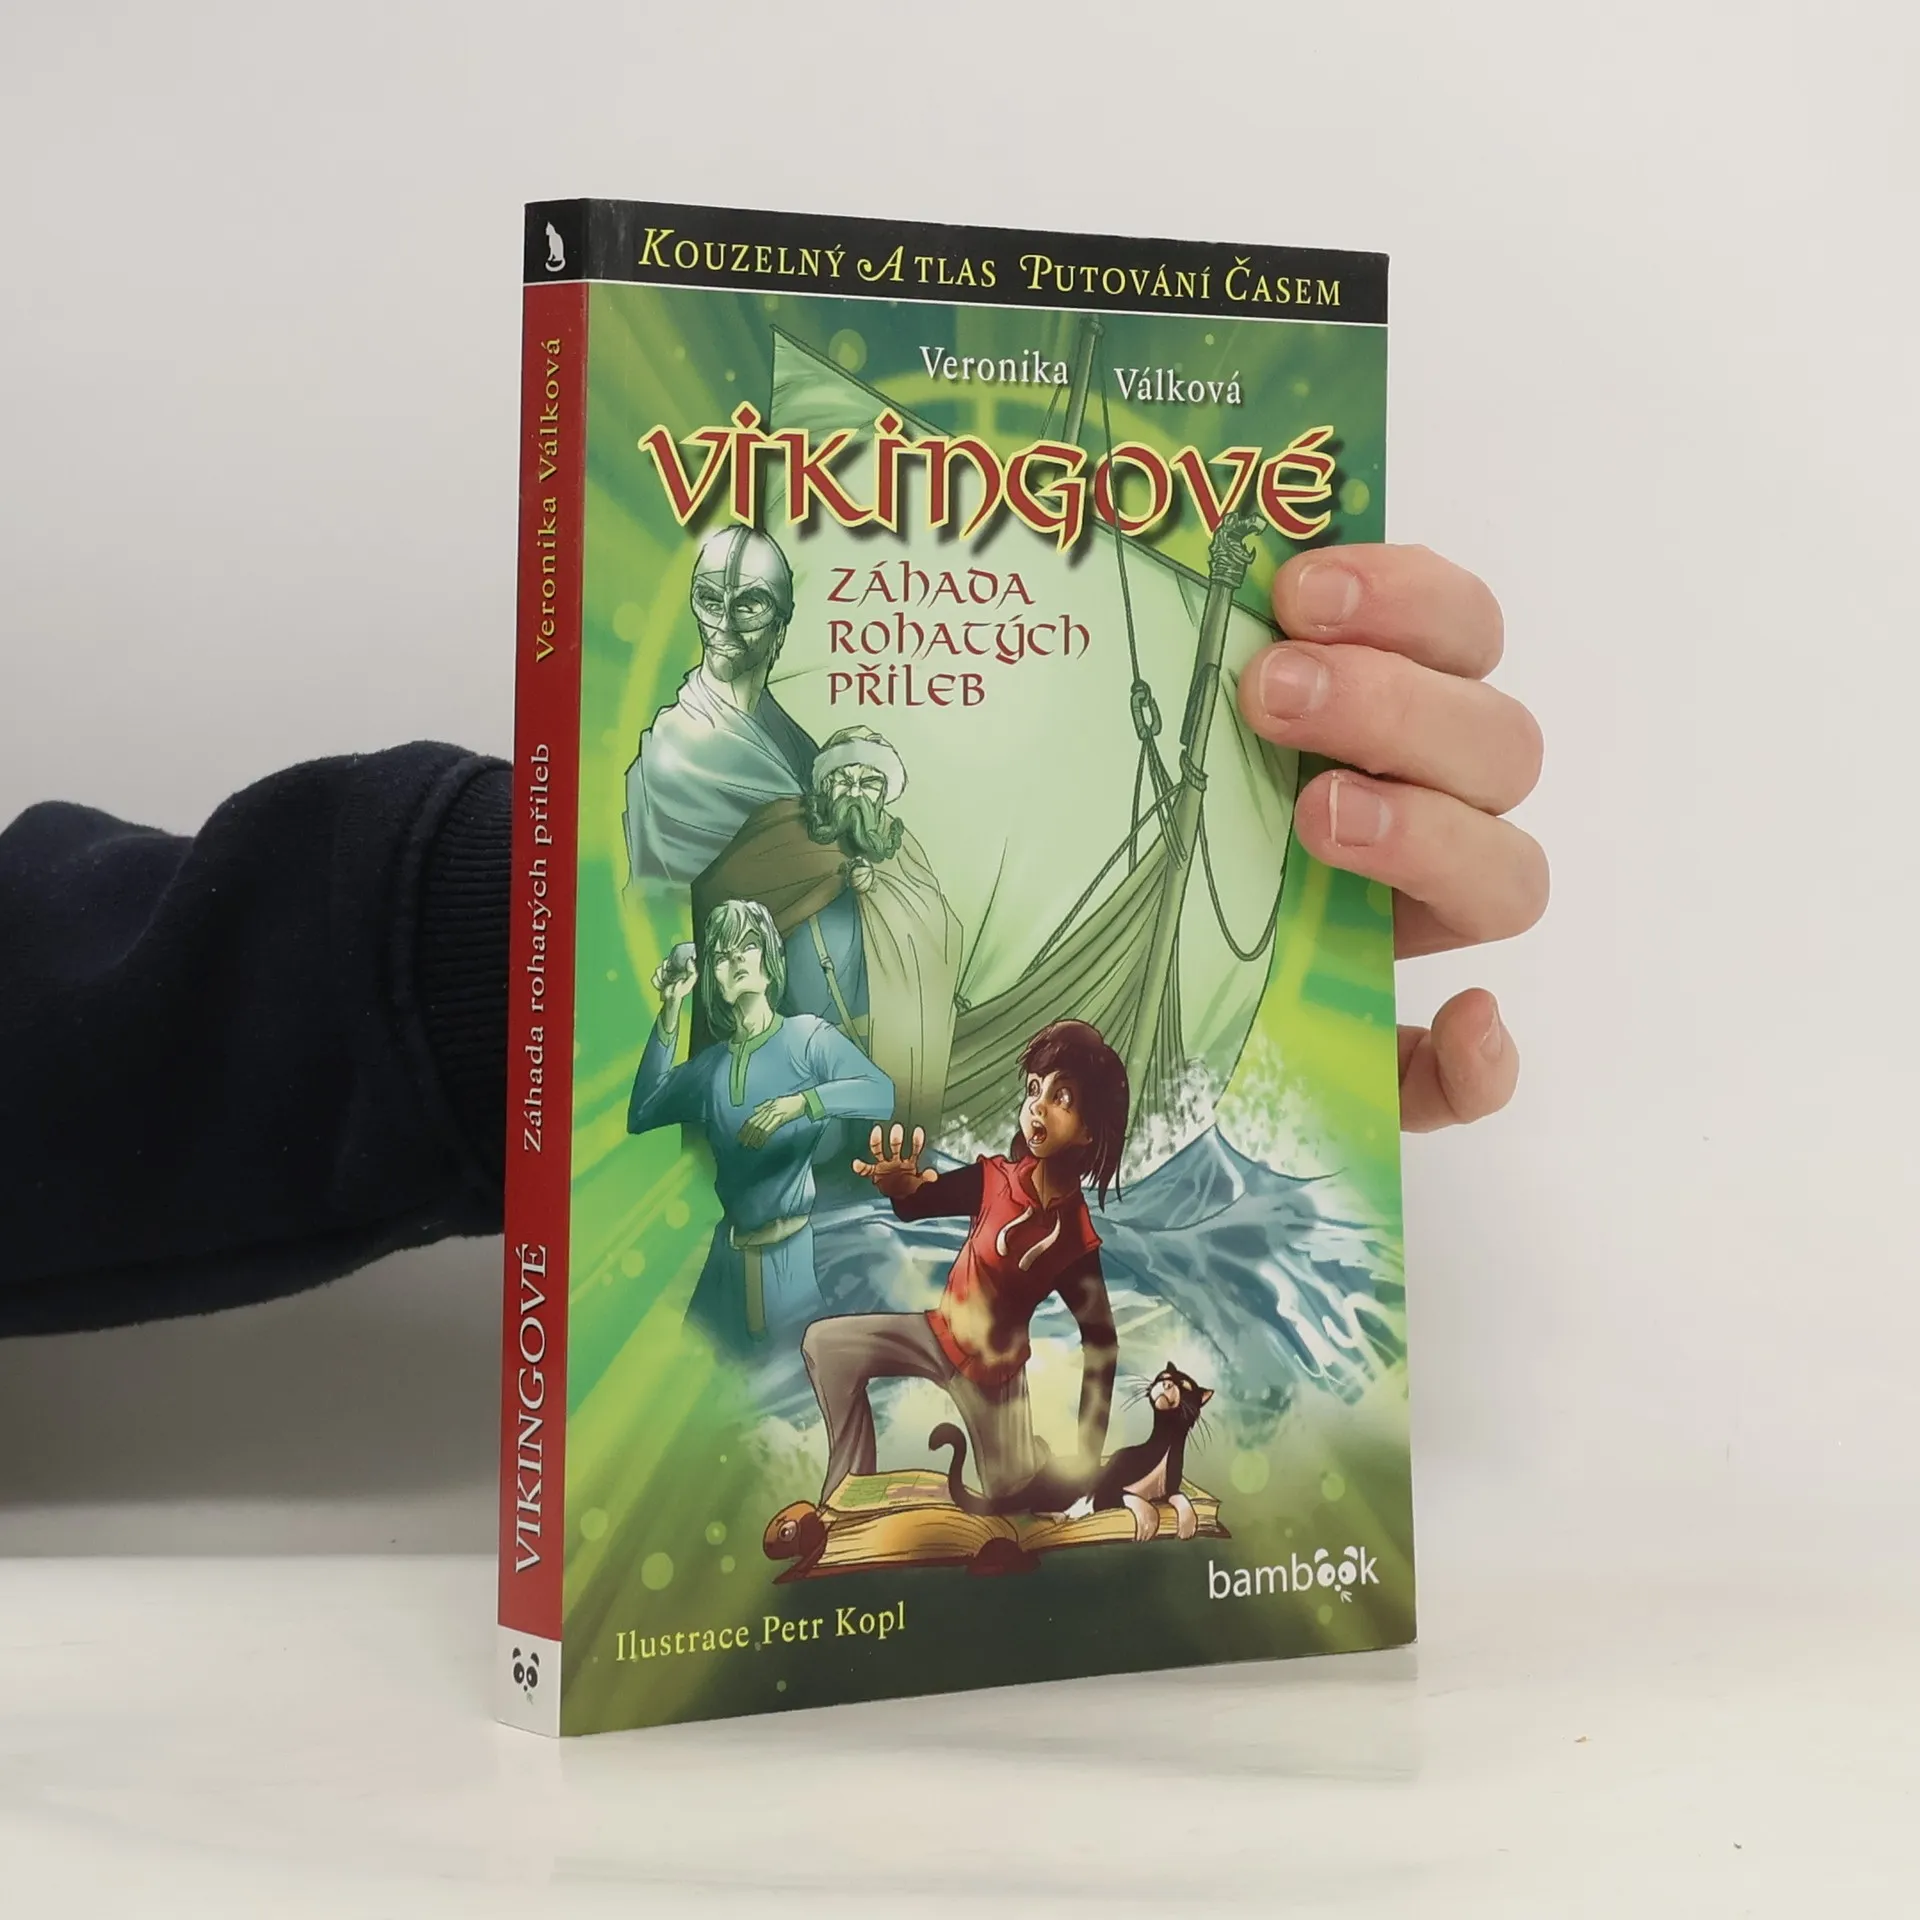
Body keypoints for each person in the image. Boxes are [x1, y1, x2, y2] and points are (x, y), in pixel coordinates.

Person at [0, 545, 1546, 1338]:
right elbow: (708, 1072)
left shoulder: (869, 902)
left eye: (762, 609)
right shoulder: (733, 795)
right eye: (728, 608)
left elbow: (881, 1069)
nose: (742, 630)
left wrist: (524, 959)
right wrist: (571, 980)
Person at [800, 1019, 1126, 1506]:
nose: (1037, 1105)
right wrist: (902, 1187)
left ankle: (1033, 1462)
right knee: (826, 1348)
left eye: (1061, 1097)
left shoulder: (1073, 1240)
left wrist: (1086, 1459)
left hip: (994, 1375)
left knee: (1014, 1498)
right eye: (1034, 1089)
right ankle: (849, 1494)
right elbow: (918, 1203)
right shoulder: (993, 1180)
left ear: (1088, 1131)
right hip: (938, 1334)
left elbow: (1101, 1344)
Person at [626, 901, 894, 1351]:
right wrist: (671, 1007)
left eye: (746, 945)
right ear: (713, 977)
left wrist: (802, 1103)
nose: (734, 959)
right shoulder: (711, 1067)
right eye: (721, 954)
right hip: (724, 1270)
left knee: (790, 1380)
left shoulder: (808, 1038)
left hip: (787, 1265)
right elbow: (643, 1111)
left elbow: (880, 1093)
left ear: (768, 958)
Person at [691, 724, 963, 1146]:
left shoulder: (898, 848)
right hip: (792, 1045)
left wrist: (879, 890)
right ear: (824, 783)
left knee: (874, 1146)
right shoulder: (782, 828)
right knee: (809, 1149)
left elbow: (938, 926)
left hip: (877, 1044)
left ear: (884, 793)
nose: (855, 792)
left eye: (868, 783)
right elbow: (720, 891)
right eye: (843, 779)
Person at [622, 526, 821, 885]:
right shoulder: (674, 749)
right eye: (711, 602)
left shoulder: (799, 747)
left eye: (748, 605)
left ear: (779, 625)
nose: (725, 626)